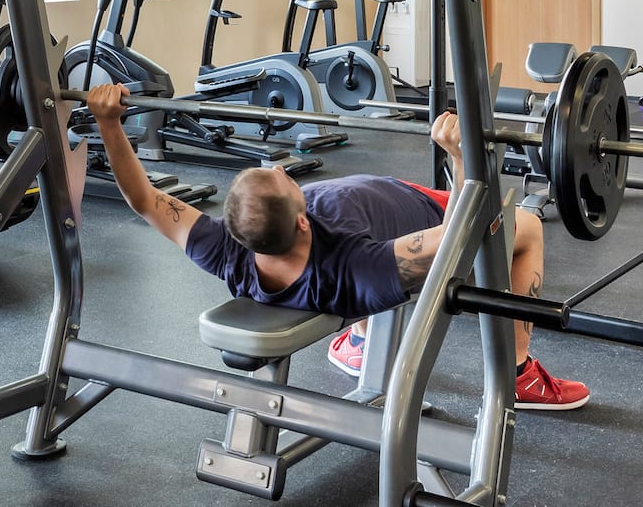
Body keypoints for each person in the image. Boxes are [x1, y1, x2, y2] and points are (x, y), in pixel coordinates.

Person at [76, 82, 589, 411]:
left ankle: (361, 340)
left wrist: (108, 122)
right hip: (424, 207)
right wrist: (460, 157)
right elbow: (466, 233)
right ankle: (517, 372)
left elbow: (144, 200)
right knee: (526, 227)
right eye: (278, 177)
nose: (278, 167)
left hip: (375, 201)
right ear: (302, 223)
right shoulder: (358, 268)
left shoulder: (225, 247)